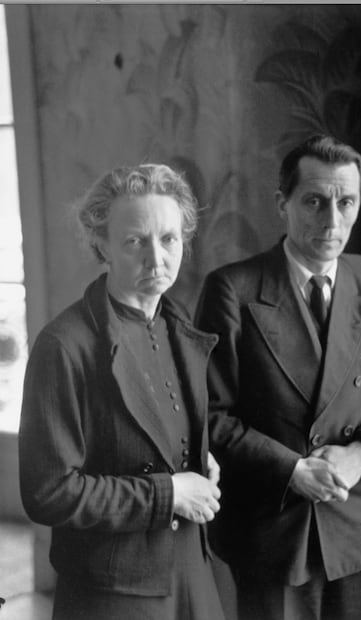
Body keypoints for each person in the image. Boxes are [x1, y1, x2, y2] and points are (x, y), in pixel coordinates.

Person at [196, 134, 361, 620]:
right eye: (314, 201)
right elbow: (210, 416)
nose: (332, 221)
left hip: (359, 517)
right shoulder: (232, 289)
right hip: (274, 529)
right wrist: (293, 471)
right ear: (283, 203)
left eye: (346, 202)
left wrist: (359, 455)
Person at [19, 164, 227, 620]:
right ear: (102, 245)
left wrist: (197, 458)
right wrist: (168, 493)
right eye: (136, 241)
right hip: (113, 591)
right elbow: (48, 491)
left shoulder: (178, 328)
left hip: (190, 571)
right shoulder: (65, 345)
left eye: (169, 239)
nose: (156, 258)